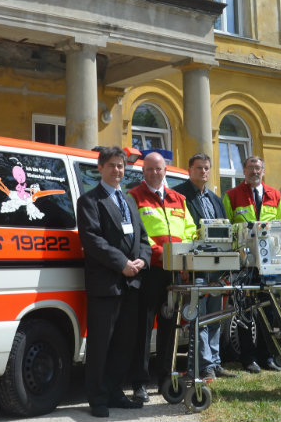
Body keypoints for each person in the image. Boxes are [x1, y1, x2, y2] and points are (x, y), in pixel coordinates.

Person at [76, 146, 150, 418]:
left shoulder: (129, 200)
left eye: (121, 165)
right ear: (100, 168)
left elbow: (142, 238)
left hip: (132, 285)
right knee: (101, 345)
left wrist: (142, 260)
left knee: (123, 344)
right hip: (106, 286)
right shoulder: (90, 201)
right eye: (112, 165)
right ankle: (97, 399)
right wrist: (123, 264)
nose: (117, 170)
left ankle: (115, 392)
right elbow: (93, 240)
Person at [127, 152, 196, 402]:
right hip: (150, 270)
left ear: (165, 170)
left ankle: (166, 377)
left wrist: (184, 257)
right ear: (143, 172)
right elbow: (137, 236)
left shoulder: (179, 198)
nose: (154, 173)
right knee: (143, 328)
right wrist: (162, 254)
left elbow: (189, 230)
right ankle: (139, 383)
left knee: (171, 326)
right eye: (149, 169)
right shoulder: (134, 196)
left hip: (175, 271)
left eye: (158, 169)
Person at [173, 153, 237, 381]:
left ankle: (216, 362)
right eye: (199, 168)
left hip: (216, 268)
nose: (203, 172)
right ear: (190, 169)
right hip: (194, 268)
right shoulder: (180, 195)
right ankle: (205, 365)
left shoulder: (215, 198)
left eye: (206, 168)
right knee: (198, 318)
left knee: (215, 317)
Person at [223, 155, 281, 373]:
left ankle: (266, 356)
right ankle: (248, 358)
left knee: (268, 311)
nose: (254, 172)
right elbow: (227, 229)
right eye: (250, 168)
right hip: (244, 264)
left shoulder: (275, 195)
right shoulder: (231, 195)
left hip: (269, 264)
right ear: (244, 171)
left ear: (263, 171)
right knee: (244, 311)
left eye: (258, 168)